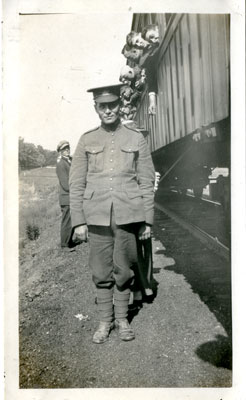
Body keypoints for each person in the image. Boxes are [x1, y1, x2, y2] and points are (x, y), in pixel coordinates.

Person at [69, 83, 155, 344]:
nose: (108, 110)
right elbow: (76, 183)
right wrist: (78, 222)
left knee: (124, 268)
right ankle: (105, 321)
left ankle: (122, 319)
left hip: (128, 216)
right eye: (102, 106)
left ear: (120, 106)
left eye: (112, 105)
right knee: (100, 270)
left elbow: (146, 181)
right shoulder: (87, 139)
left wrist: (147, 220)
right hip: (96, 217)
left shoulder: (135, 138)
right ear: (96, 108)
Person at [56, 140, 75, 252]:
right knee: (66, 221)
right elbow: (65, 184)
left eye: (68, 148)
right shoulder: (61, 164)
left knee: (71, 220)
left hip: (70, 196)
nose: (67, 150)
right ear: (60, 151)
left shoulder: (69, 161)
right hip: (66, 197)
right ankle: (64, 245)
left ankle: (69, 241)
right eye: (64, 149)